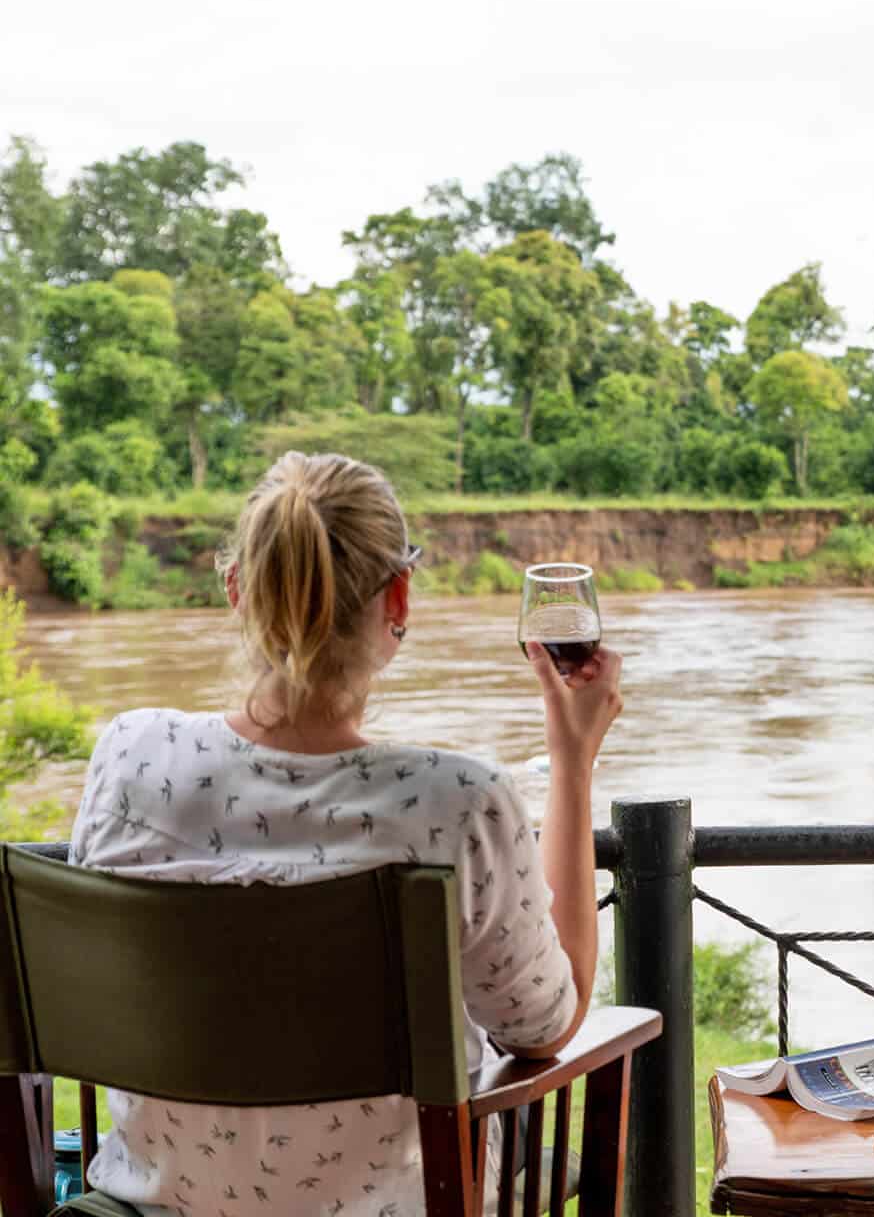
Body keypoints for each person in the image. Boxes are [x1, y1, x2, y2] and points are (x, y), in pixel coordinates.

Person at [68, 451, 623, 1215]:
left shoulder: (130, 757)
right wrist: (573, 758)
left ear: (237, 590)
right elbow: (546, 1026)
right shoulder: (457, 805)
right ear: (399, 595)